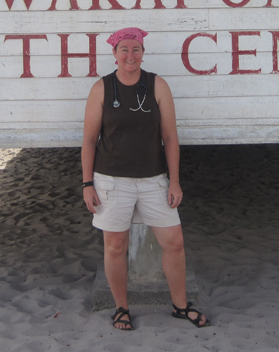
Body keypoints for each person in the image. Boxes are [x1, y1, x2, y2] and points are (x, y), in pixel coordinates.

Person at [81, 27, 210, 331]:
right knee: (115, 246)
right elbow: (89, 140)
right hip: (112, 180)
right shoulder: (102, 88)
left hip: (153, 179)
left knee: (174, 242)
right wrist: (88, 183)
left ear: (143, 52)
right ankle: (121, 308)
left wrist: (174, 181)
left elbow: (170, 136)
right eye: (124, 49)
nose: (130, 55)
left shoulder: (157, 85)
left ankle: (180, 306)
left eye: (136, 49)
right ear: (114, 54)